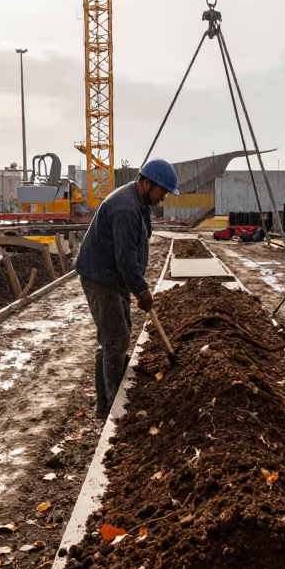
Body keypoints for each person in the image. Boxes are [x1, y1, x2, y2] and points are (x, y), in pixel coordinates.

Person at [75, 159, 179, 417]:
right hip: (101, 277)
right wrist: (141, 290)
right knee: (116, 339)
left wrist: (135, 284)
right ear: (147, 183)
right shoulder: (126, 208)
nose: (163, 197)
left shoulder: (140, 203)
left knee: (115, 337)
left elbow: (134, 247)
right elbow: (125, 257)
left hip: (113, 276)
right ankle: (114, 408)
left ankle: (104, 404)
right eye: (162, 191)